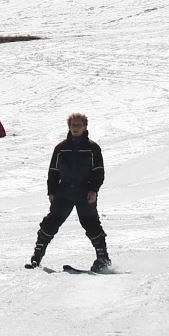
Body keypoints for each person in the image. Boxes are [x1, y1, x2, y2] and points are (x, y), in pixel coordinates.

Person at [25, 110, 110, 271]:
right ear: (69, 127)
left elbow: (99, 172)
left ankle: (103, 259)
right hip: (64, 193)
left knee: (91, 224)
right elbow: (53, 172)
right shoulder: (61, 148)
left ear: (85, 127)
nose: (75, 128)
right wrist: (51, 191)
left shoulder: (93, 148)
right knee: (50, 224)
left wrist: (94, 190)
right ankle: (36, 257)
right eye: (73, 125)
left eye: (79, 125)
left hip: (85, 193)